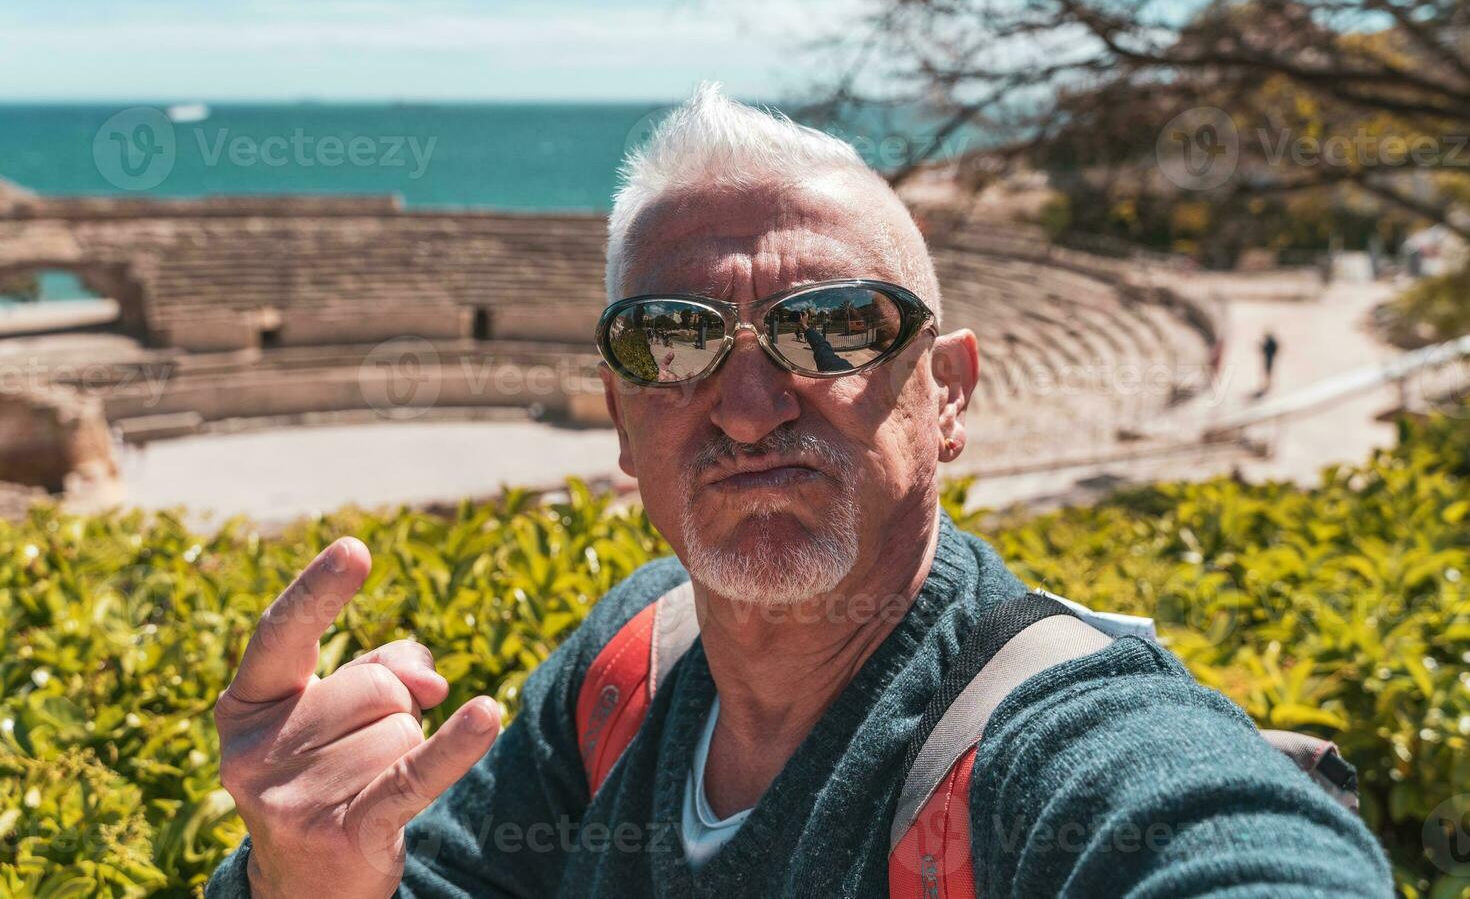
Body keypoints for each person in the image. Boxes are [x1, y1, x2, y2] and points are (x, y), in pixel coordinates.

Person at [207, 84, 1391, 898]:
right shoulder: (628, 662)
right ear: (622, 419)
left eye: (831, 328)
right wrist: (302, 871)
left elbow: (1220, 838)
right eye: (671, 338)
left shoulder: (1048, 743)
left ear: (950, 395)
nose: (748, 402)